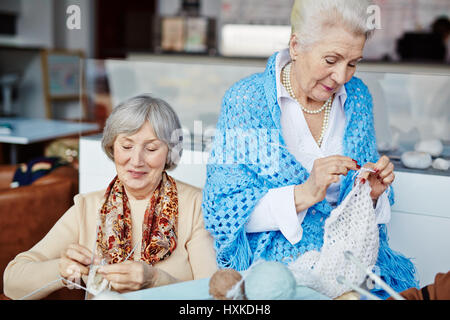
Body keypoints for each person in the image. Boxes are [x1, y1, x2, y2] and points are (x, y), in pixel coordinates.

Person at [202, 0, 418, 299]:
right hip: (277, 269)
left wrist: (370, 193)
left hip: (353, 261)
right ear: (296, 46)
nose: (342, 76)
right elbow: (224, 211)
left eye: (353, 63)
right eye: (331, 60)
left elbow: (361, 211)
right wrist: (305, 192)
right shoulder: (246, 101)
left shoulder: (358, 98)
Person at [3, 95, 218, 299]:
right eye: (126, 146)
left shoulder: (195, 205)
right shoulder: (86, 208)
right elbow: (12, 282)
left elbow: (213, 295)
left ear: (170, 151)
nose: (136, 160)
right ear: (112, 147)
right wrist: (61, 269)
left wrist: (155, 280)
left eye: (151, 148)